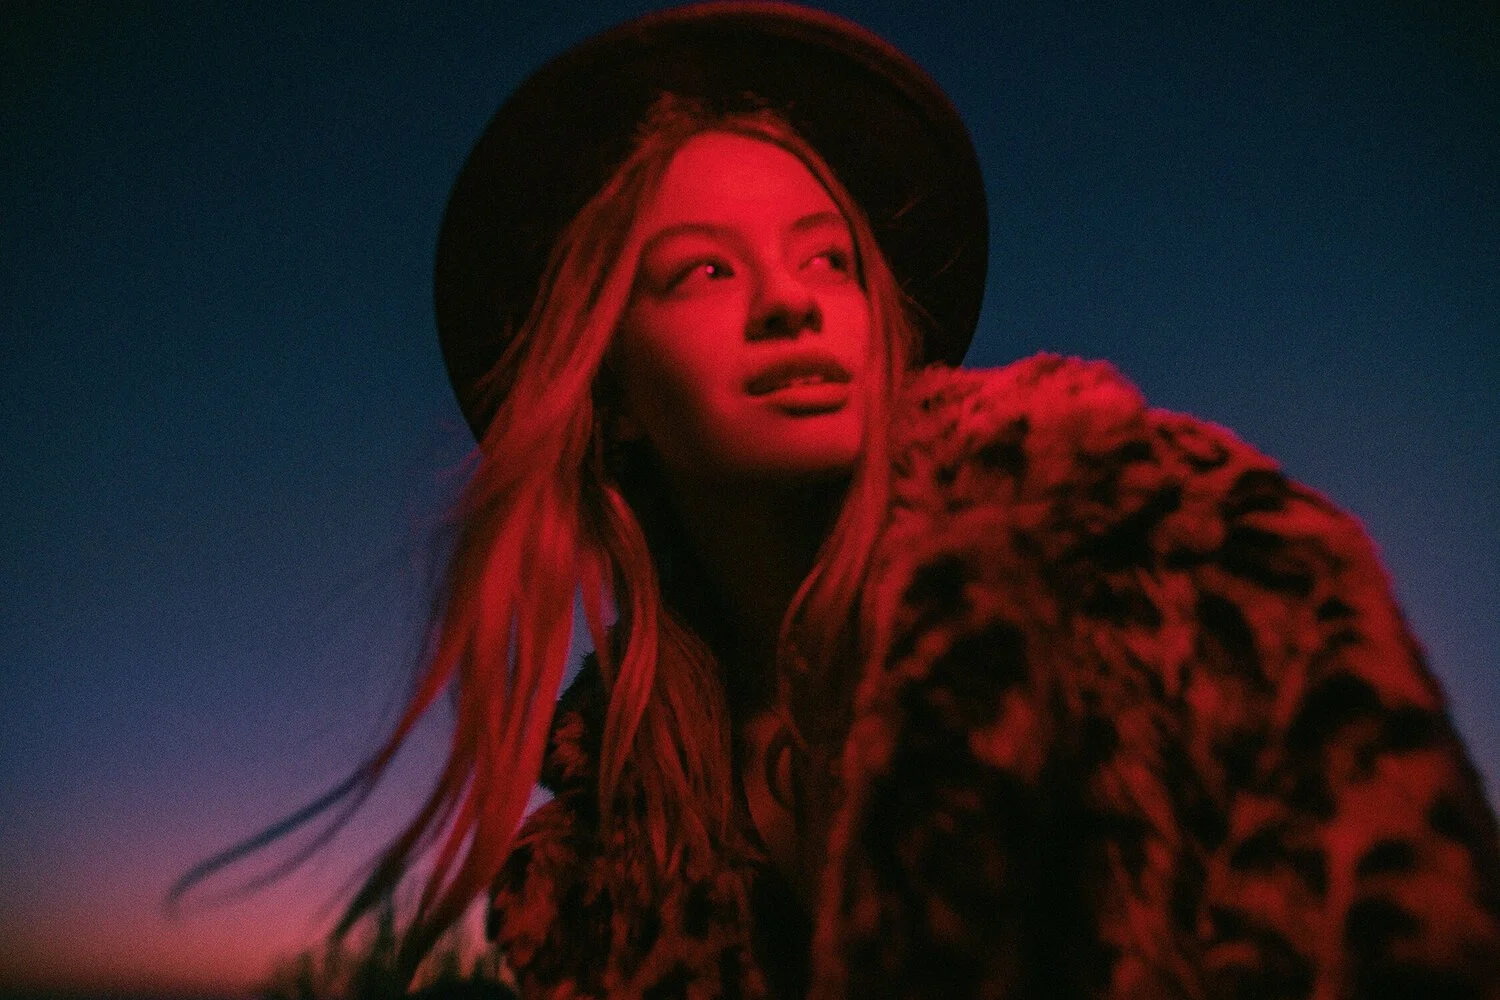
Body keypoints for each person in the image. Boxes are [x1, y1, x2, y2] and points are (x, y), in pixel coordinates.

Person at [177, 3, 1500, 998]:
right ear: (614, 396)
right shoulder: (599, 847)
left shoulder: (1157, 557)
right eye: (699, 272)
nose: (792, 299)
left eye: (830, 257)